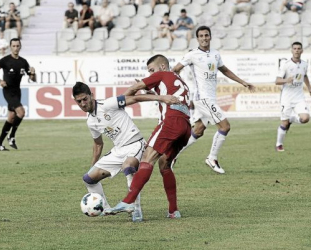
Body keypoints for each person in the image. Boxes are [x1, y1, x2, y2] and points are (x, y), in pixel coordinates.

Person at [73, 81, 181, 222]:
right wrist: (93, 166)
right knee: (88, 179)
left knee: (128, 167)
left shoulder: (108, 104)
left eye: (84, 99)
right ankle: (105, 209)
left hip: (135, 144)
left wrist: (162, 98)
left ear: (91, 95)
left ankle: (136, 211)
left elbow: (135, 98)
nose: (82, 104)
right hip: (118, 150)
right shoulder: (91, 122)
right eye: (79, 101)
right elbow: (98, 144)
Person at [105, 54, 192, 219]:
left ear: (163, 67)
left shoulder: (162, 75)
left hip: (171, 121)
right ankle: (173, 211)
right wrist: (153, 91)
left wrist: (119, 105)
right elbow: (169, 96)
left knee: (147, 157)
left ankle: (128, 201)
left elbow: (133, 89)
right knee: (164, 164)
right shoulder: (179, 80)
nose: (151, 74)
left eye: (152, 70)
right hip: (186, 126)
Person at [171, 26, 255, 174]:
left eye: (206, 35)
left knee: (198, 130)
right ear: (197, 39)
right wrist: (180, 87)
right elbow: (175, 70)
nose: (204, 38)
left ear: (210, 37)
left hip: (210, 98)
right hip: (202, 98)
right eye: (201, 36)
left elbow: (225, 70)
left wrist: (242, 82)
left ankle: (172, 154)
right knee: (225, 127)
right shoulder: (192, 55)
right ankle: (212, 158)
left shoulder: (215, 54)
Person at [0, 38, 36, 151]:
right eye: (13, 46)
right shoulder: (5, 60)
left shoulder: (23, 62)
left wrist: (33, 73)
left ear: (20, 47)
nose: (15, 48)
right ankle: (12, 136)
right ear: (10, 47)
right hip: (8, 91)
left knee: (11, 117)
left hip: (17, 91)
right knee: (21, 112)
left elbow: (32, 79)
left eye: (17, 46)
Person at [275, 42, 311, 152]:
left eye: (298, 48)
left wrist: (309, 88)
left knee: (305, 118)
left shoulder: (305, 64)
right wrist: (286, 80)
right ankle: (279, 144)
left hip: (299, 97)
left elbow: (304, 75)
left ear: (302, 51)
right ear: (291, 50)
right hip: (287, 98)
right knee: (284, 123)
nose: (296, 50)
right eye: (294, 48)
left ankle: (292, 119)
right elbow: (277, 81)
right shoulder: (285, 64)